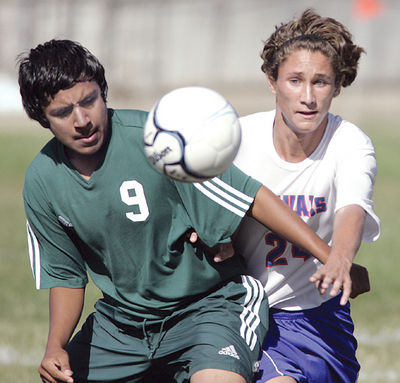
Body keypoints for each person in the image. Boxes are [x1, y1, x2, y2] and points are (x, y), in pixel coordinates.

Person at [17, 39, 342, 383]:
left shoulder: (156, 138)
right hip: (122, 325)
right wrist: (56, 346)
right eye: (63, 112)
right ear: (42, 116)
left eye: (89, 101)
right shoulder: (42, 180)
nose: (82, 120)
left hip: (208, 308)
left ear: (103, 91)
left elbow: (253, 198)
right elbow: (66, 277)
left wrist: (332, 258)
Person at [231, 8, 381, 383]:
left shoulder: (350, 143)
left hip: (322, 314)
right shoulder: (237, 141)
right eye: (295, 80)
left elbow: (352, 207)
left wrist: (340, 261)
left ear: (338, 86)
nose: (308, 97)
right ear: (271, 81)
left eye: (321, 82)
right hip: (253, 312)